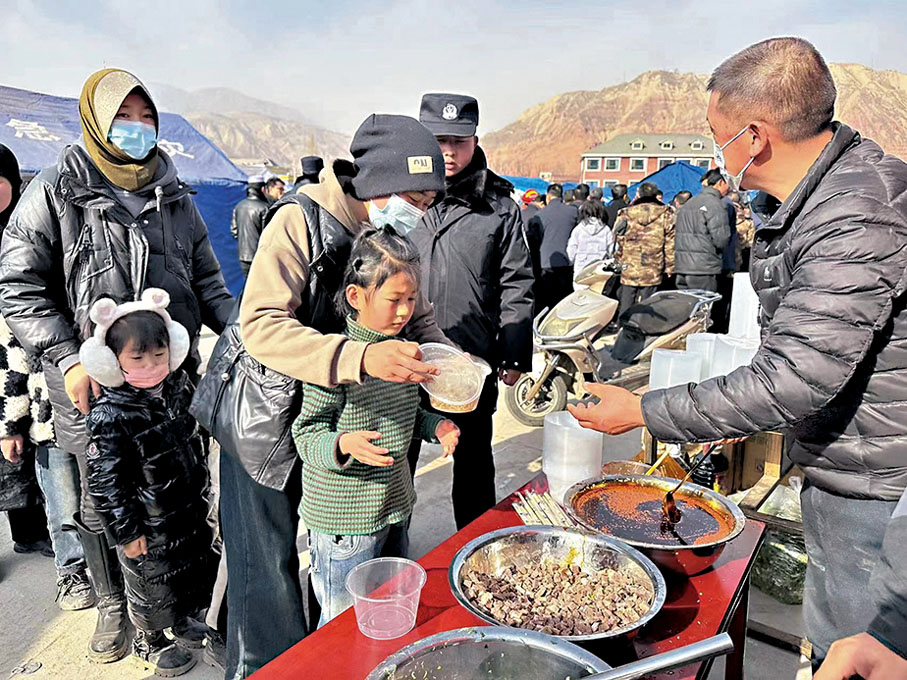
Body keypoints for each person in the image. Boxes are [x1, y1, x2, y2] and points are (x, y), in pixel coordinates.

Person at [565, 37, 907, 671]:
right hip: (853, 463)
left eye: (714, 132)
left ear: (753, 137)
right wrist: (732, 417)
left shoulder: (854, 217)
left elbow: (796, 377)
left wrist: (642, 410)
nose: (713, 148)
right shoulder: (829, 196)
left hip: (876, 488)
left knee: (855, 655)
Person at [0, 68, 234, 663]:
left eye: (145, 116)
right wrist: (67, 357)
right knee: (103, 498)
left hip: (165, 377)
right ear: (96, 122)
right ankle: (113, 604)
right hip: (91, 384)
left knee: (174, 490)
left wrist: (245, 332)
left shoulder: (173, 194)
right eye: (122, 117)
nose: (137, 128)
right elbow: (19, 286)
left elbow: (207, 279)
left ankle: (181, 604)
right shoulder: (57, 189)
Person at [208, 113, 450, 678]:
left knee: (336, 550)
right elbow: (261, 323)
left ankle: (335, 657)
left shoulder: (389, 238)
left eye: (426, 202)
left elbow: (420, 320)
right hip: (264, 413)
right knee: (265, 567)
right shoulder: (299, 219)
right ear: (378, 182)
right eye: (413, 198)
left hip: (337, 405)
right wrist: (359, 358)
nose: (418, 212)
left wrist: (452, 364)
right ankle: (262, 668)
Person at [294, 229, 460, 625]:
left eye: (411, 300)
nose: (404, 312)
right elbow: (306, 434)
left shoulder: (404, 353)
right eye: (394, 300)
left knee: (389, 605)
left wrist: (436, 426)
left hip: (394, 507)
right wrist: (343, 443)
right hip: (344, 523)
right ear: (356, 296)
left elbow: (408, 413)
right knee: (340, 622)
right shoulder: (335, 360)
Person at [408, 93, 534, 529]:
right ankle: (390, 552)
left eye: (458, 142)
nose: (448, 151)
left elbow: (517, 283)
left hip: (470, 356)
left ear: (475, 142)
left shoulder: (498, 208)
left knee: (474, 463)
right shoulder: (401, 198)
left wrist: (514, 353)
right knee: (396, 459)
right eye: (438, 140)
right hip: (403, 356)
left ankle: (475, 547)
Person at [80, 290, 211, 676]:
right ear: (111, 361)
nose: (151, 365)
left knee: (182, 571)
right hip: (144, 522)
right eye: (137, 358)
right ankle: (149, 639)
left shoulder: (178, 385)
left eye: (159, 354)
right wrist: (126, 531)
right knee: (148, 582)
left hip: (184, 509)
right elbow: (105, 481)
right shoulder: (109, 414)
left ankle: (181, 619)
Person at [613, 182, 674, 310]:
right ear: (655, 195)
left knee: (626, 302)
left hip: (629, 264)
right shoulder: (666, 213)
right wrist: (670, 267)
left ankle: (624, 321)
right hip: (653, 265)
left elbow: (619, 239)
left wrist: (619, 259)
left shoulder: (625, 213)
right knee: (649, 304)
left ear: (639, 195)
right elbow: (670, 243)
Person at [673, 168, 732, 293]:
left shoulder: (689, 203)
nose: (730, 188)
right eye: (729, 184)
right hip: (704, 267)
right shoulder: (716, 204)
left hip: (682, 265)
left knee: (687, 303)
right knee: (704, 303)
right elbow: (721, 239)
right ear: (721, 182)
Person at [531, 182, 579, 313]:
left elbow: (534, 241)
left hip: (546, 263)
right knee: (563, 301)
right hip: (567, 262)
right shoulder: (573, 212)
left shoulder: (539, 215)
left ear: (548, 196)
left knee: (545, 302)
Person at [567, 199, 613, 289]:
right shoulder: (606, 229)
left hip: (581, 271)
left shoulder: (578, 229)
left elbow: (571, 251)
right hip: (600, 270)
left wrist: (572, 261)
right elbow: (611, 250)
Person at [231, 175, 270, 276]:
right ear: (262, 189)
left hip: (243, 255)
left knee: (248, 282)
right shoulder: (265, 207)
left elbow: (234, 231)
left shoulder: (239, 206)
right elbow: (269, 234)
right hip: (260, 255)